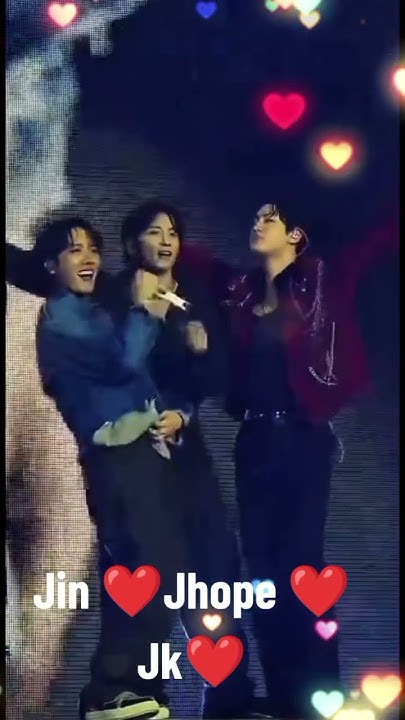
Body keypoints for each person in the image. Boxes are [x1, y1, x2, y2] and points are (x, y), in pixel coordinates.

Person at [8, 206, 268, 720]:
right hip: (125, 448)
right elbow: (111, 353)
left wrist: (185, 397)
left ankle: (227, 696)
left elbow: (214, 372)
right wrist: (145, 311)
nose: (166, 240)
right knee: (146, 566)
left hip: (180, 449)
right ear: (131, 246)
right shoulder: (102, 299)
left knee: (210, 568)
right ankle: (120, 691)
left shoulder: (191, 298)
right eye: (154, 232)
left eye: (174, 232)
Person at [178, 202, 398, 720]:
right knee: (263, 575)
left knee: (302, 569)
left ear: (295, 234)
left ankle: (319, 696)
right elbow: (196, 261)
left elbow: (373, 241)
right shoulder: (241, 289)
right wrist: (152, 239)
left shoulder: (322, 279)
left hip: (302, 440)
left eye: (269, 219)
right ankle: (284, 696)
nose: (257, 224)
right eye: (255, 218)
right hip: (254, 441)